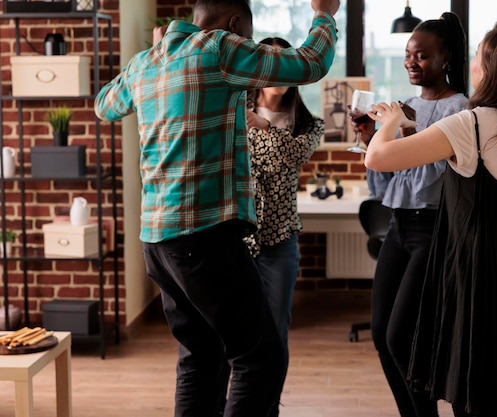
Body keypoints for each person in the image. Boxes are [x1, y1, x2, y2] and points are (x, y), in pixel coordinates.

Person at [94, 1, 340, 416]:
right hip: (203, 238)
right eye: (246, 34)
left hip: (157, 242)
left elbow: (104, 105)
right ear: (235, 23)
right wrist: (325, 12)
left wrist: (156, 55)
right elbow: (311, 62)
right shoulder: (220, 48)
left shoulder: (145, 62)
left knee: (200, 353)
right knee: (259, 356)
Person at [365, 18, 497, 417]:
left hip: (482, 289)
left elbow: (378, 157)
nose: (473, 61)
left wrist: (390, 120)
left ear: (496, 68)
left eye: (479, 53)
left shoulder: (471, 125)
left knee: (477, 397)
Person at [351, 12, 468, 417]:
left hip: (434, 231)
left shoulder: (462, 110)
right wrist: (372, 141)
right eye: (407, 55)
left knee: (403, 337)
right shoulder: (407, 107)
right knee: (382, 335)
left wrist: (401, 133)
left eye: (421, 55)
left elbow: (433, 173)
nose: (411, 62)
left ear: (446, 57)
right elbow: (388, 183)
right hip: (399, 228)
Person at [244, 36, 324, 417]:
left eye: (285, 64)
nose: (278, 72)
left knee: (275, 332)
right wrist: (268, 136)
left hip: (279, 241)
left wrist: (258, 126)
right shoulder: (231, 108)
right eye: (270, 62)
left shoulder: (309, 124)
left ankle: (268, 406)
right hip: (237, 239)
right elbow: (276, 154)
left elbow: (285, 157)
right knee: (239, 332)